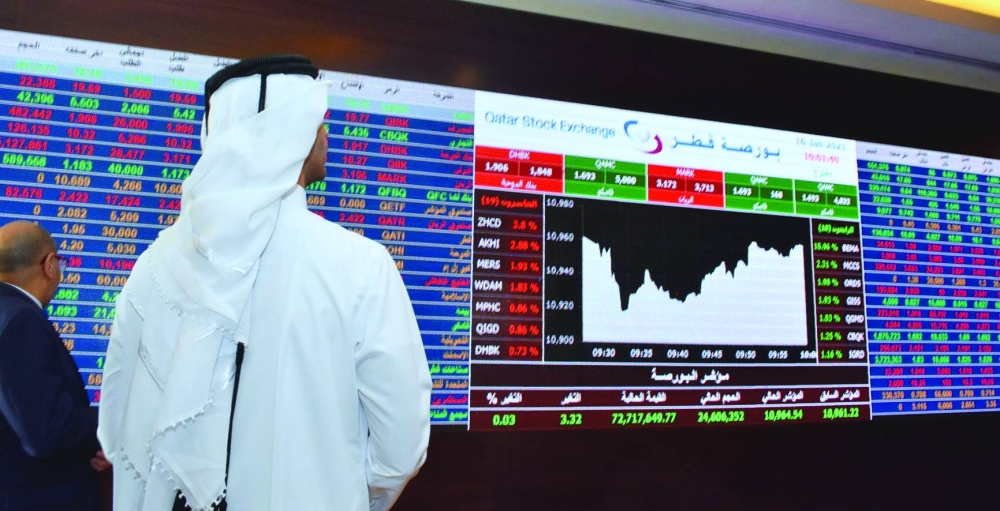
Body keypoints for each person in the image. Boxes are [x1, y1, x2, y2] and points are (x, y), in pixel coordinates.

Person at [97, 55, 431, 511]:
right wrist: (342, 492)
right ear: (292, 130)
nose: (326, 135)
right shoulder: (360, 265)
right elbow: (401, 446)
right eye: (318, 121)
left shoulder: (152, 267)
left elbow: (118, 425)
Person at [0, 221, 108, 511]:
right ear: (49, 264)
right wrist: (114, 426)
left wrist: (85, 448)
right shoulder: (21, 321)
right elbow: (49, 433)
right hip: (40, 498)